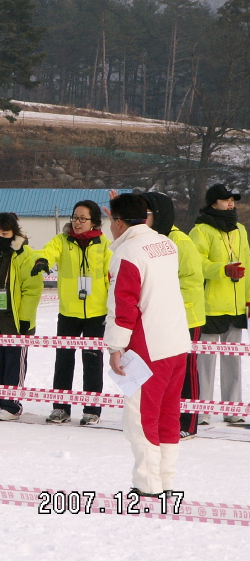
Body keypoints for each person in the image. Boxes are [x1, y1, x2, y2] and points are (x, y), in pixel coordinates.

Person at [105, 194, 190, 496]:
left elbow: (124, 306)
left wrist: (115, 347)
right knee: (168, 415)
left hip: (147, 347)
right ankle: (165, 480)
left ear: (117, 221)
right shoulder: (166, 244)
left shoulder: (127, 252)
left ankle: (147, 483)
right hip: (176, 342)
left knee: (141, 417)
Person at [31, 200, 111, 426]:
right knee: (64, 361)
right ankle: (60, 408)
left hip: (97, 313)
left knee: (93, 362)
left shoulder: (105, 245)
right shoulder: (62, 241)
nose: (77, 222)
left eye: (83, 218)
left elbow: (113, 273)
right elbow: (47, 251)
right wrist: (42, 260)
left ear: (94, 222)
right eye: (75, 217)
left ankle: (92, 409)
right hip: (68, 312)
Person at [141, 192, 205, 440]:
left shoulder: (180, 241)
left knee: (186, 372)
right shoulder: (148, 240)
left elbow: (192, 281)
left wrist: (172, 306)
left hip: (185, 318)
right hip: (158, 318)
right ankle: (162, 418)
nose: (142, 219)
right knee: (162, 372)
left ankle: (188, 423)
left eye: (146, 214)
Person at [188, 184, 250, 425]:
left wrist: (248, 298)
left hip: (235, 306)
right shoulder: (200, 230)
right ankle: (202, 410)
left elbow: (247, 262)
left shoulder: (240, 230)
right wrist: (221, 269)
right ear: (214, 202)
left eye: (233, 199)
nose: (231, 203)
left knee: (232, 360)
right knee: (205, 361)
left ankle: (232, 409)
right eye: (226, 200)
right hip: (210, 306)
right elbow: (196, 264)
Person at [0, 212, 43, 421]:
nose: (0, 236)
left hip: (16, 320)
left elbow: (32, 290)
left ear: (14, 233)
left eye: (5, 233)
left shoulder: (26, 255)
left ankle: (12, 405)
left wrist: (25, 318)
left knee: (14, 363)